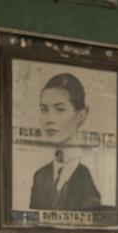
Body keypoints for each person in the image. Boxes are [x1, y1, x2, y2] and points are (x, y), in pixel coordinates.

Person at [29, 72, 101, 211]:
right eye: (44, 110)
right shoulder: (40, 176)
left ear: (81, 115)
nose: (49, 119)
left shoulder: (94, 175)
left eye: (60, 109)